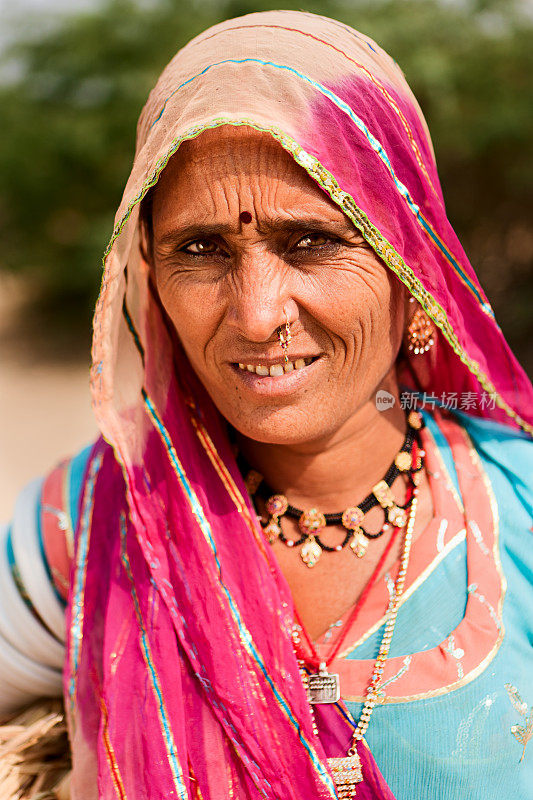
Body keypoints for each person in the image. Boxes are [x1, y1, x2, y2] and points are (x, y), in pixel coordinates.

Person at [1, 10, 532, 800]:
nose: (255, 315)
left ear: (412, 265)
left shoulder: (519, 509)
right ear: (151, 273)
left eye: (311, 241)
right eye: (200, 249)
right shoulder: (83, 527)